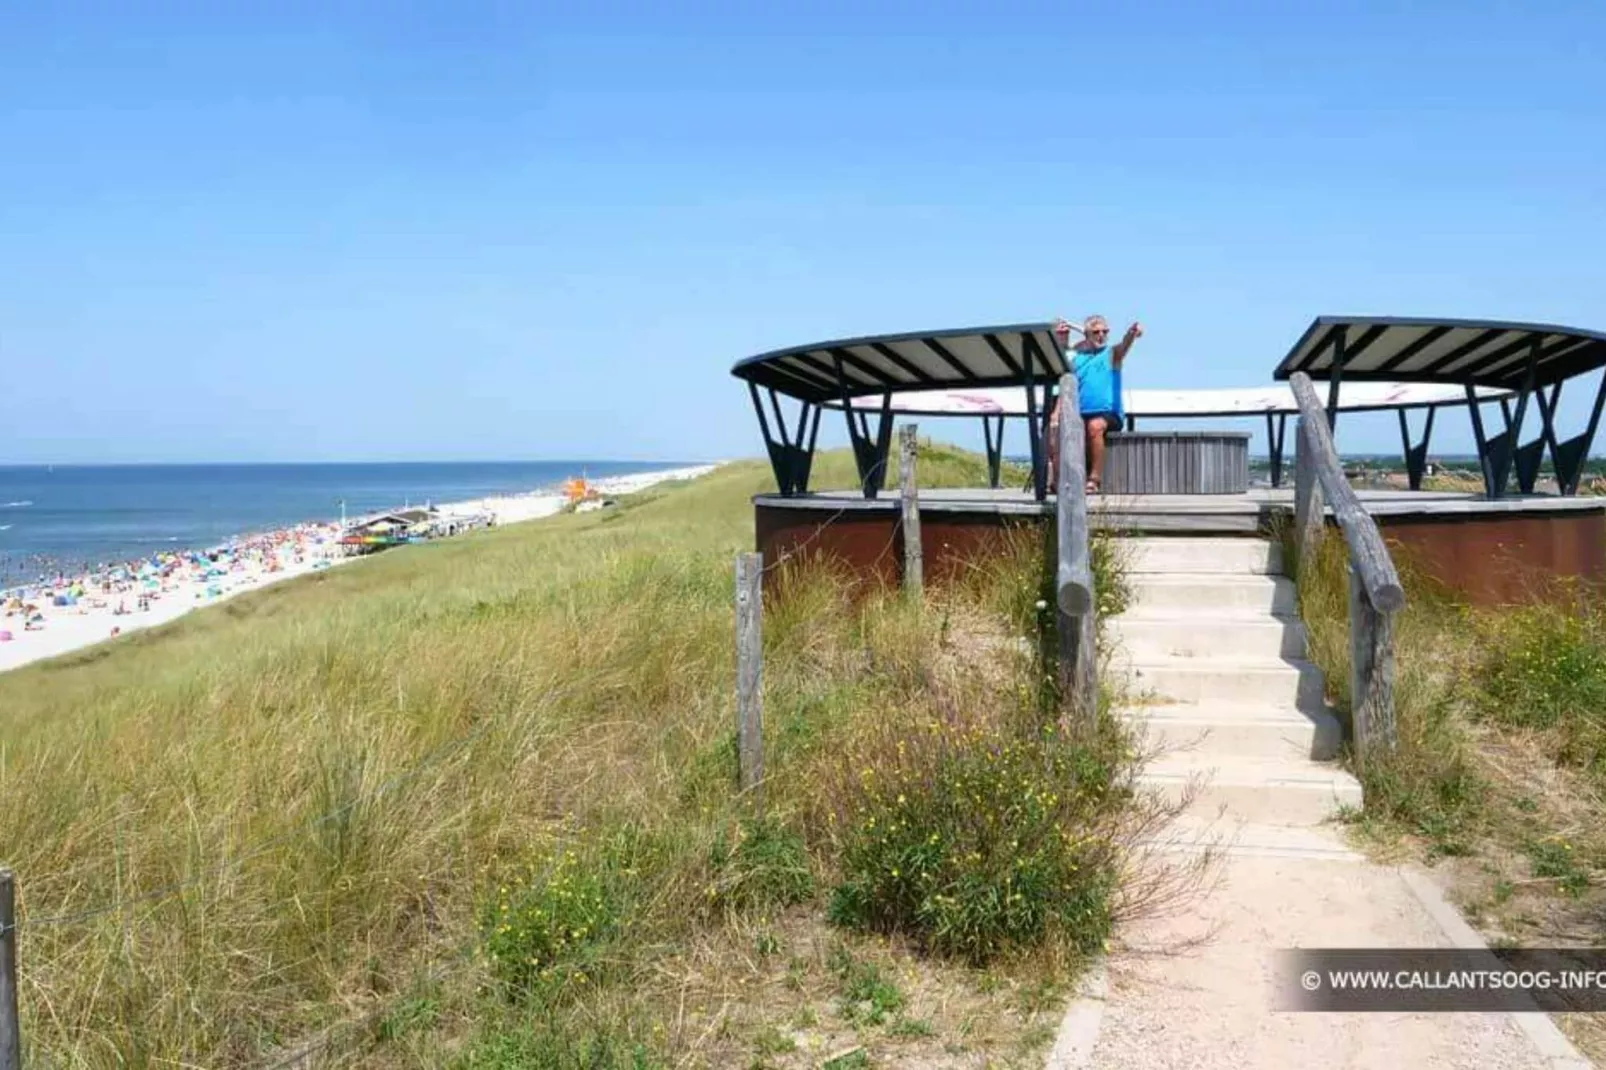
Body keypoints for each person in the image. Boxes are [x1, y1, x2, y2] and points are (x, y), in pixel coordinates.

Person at [1049, 314, 1143, 493]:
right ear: (1087, 334)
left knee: (1094, 426)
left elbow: (1124, 345)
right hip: (1081, 413)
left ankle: (1094, 479)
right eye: (1096, 332)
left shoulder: (1111, 355)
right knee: (1060, 430)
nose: (1101, 335)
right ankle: (1059, 480)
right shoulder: (1076, 358)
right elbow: (1066, 382)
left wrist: (1131, 334)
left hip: (1109, 414)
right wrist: (1056, 413)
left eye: (1105, 331)